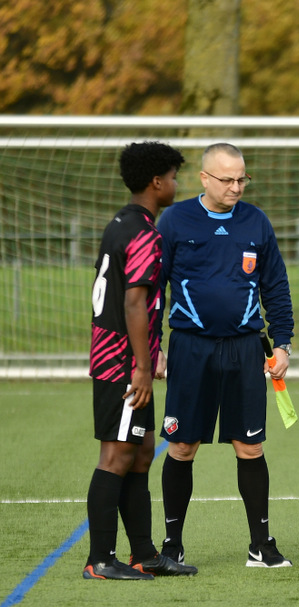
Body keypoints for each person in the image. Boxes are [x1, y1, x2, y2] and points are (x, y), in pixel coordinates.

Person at [157, 142, 295, 569]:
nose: (236, 187)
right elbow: (152, 289)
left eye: (242, 179)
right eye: (228, 179)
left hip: (244, 349)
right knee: (182, 446)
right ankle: (172, 545)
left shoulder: (256, 221)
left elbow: (276, 286)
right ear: (204, 178)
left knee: (250, 447)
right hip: (190, 348)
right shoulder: (174, 220)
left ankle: (261, 545)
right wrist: (153, 347)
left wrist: (283, 343)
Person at [84, 141, 197, 580]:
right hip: (123, 363)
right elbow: (134, 302)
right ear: (156, 182)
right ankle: (100, 560)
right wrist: (143, 367)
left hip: (119, 355)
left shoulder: (121, 223)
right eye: (172, 177)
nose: (175, 184)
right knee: (116, 456)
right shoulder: (145, 233)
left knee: (143, 451)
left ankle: (144, 554)